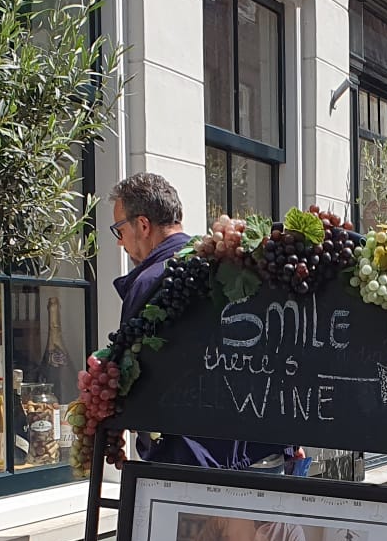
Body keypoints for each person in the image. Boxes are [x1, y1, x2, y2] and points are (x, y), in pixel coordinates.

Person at [107, 172, 284, 470]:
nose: (119, 242)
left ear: (143, 225)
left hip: (188, 464)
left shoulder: (149, 282)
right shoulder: (231, 265)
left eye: (119, 230)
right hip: (259, 454)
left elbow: (132, 377)